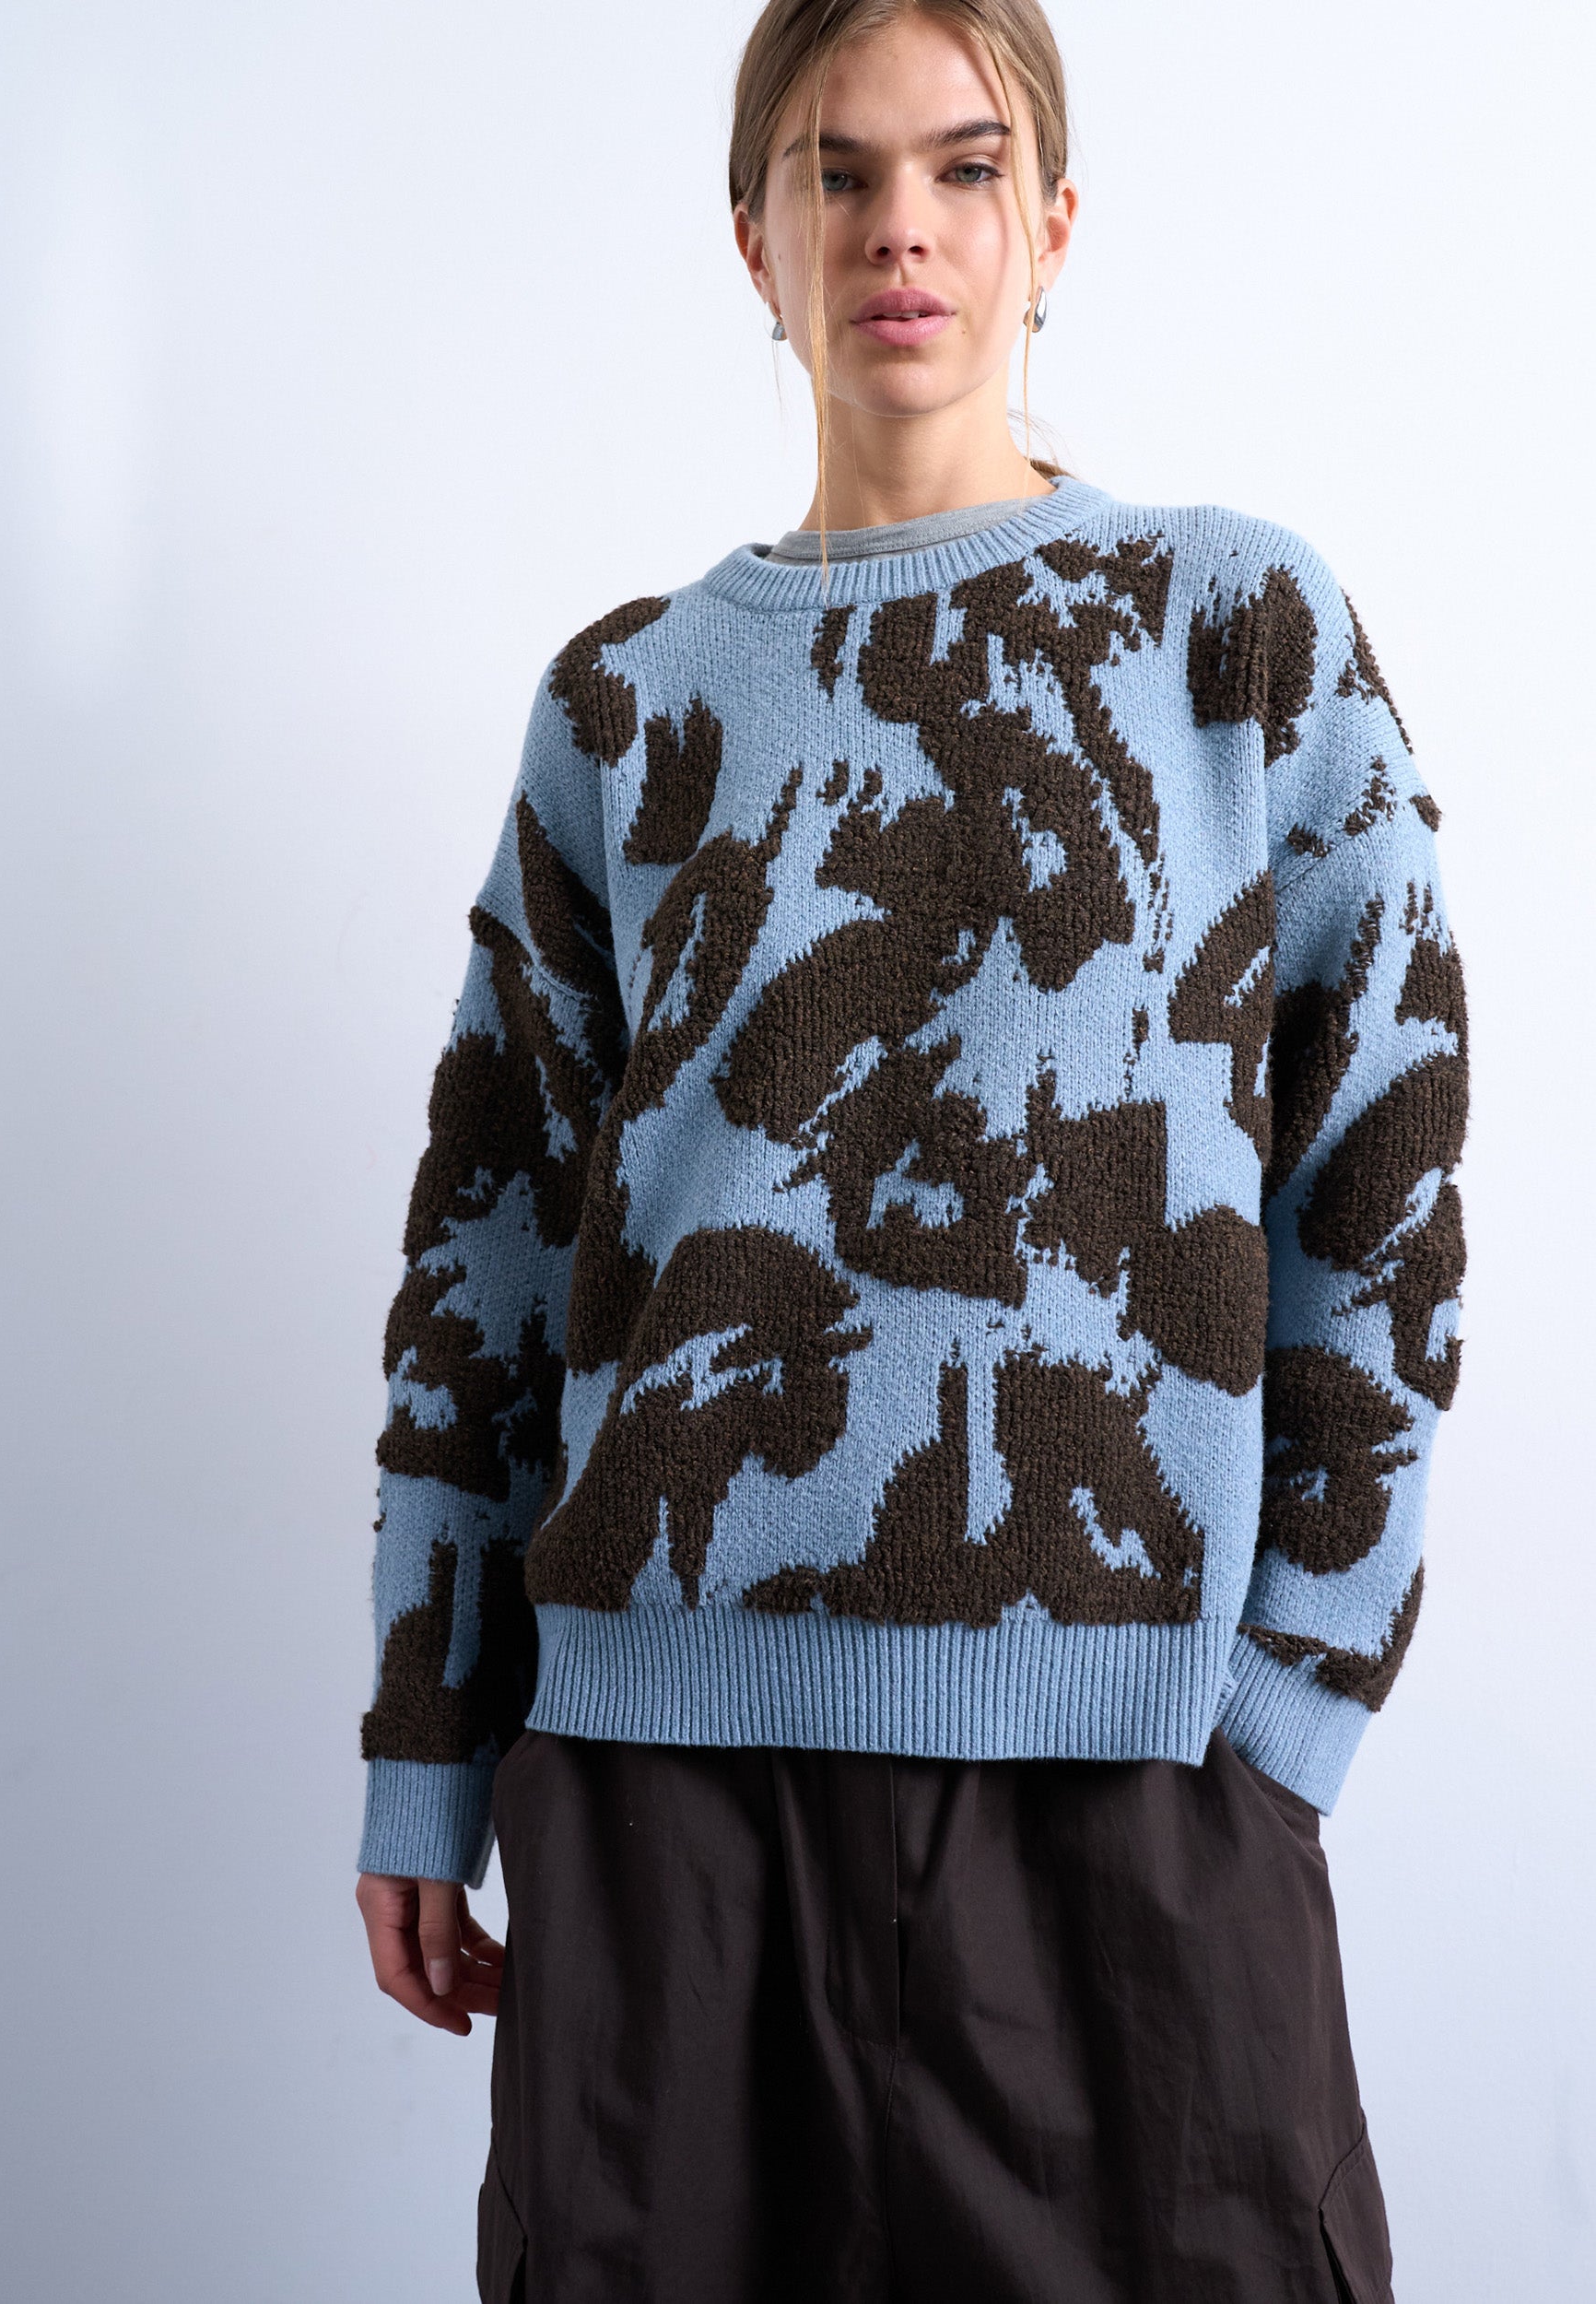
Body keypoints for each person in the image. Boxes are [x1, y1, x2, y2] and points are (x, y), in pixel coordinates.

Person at [353, 2, 1466, 2296]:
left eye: (960, 170)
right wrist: (425, 1746)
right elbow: (488, 1241)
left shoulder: (1232, 629)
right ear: (749, 240)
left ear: (1049, 226)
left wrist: (1280, 1700)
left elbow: (1387, 1165)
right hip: (657, 1795)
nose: (898, 230)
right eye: (834, 173)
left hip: (1130, 1791)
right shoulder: (621, 704)